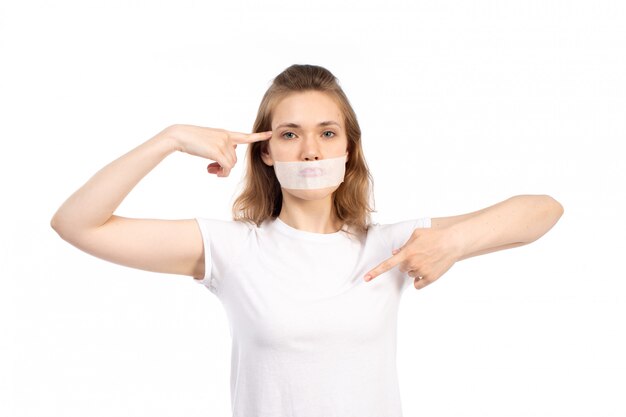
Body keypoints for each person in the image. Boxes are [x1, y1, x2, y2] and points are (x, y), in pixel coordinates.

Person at [51, 64, 564, 416]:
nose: (312, 151)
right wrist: (169, 138)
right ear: (266, 152)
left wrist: (453, 242)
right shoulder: (231, 250)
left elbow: (543, 211)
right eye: (290, 134)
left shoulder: (390, 244)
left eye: (328, 132)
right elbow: (77, 224)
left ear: (349, 149)